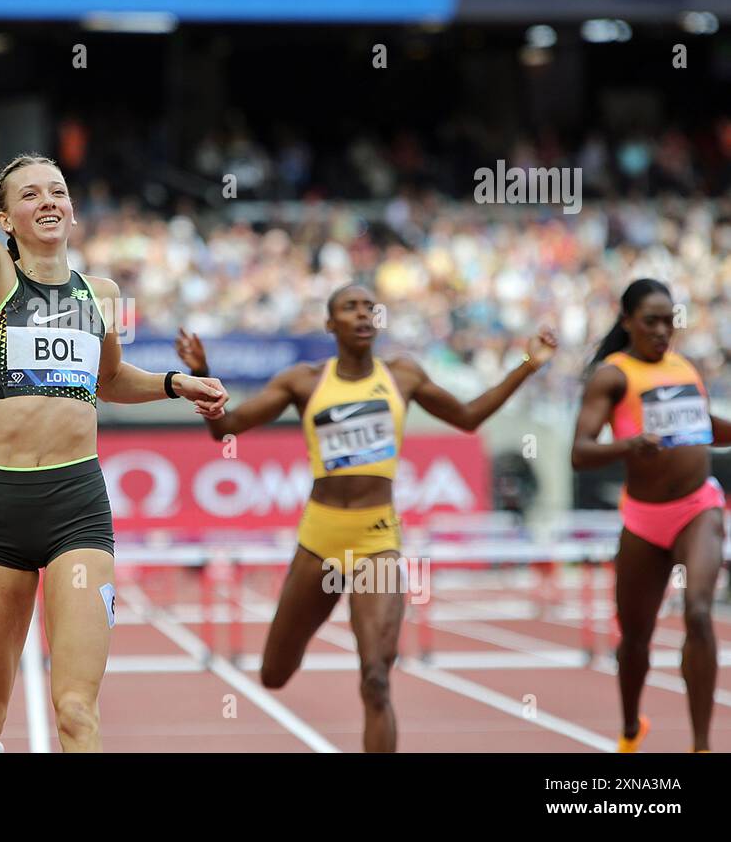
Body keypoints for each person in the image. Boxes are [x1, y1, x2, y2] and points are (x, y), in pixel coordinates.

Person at [0, 0, 229, 753]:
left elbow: (108, 381)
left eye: (58, 189)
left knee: (77, 714)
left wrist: (171, 383)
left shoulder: (104, 293)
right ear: (5, 219)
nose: (50, 200)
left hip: (77, 507)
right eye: (31, 194)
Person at [177, 283, 556, 751]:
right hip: (320, 539)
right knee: (274, 673)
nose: (361, 314)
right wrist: (201, 372)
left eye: (367, 308)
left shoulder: (403, 376)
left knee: (376, 678)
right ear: (330, 324)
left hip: (377, 540)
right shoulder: (305, 381)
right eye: (348, 308)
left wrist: (528, 366)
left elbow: (469, 416)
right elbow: (226, 429)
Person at [571, 278, 729, 752]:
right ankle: (629, 730)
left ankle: (701, 746)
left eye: (670, 321)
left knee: (699, 612)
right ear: (627, 322)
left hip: (699, 506)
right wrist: (629, 445)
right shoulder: (612, 376)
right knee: (635, 640)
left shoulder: (685, 368)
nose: (663, 331)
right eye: (651, 322)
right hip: (643, 519)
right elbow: (580, 452)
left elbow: (706, 427)